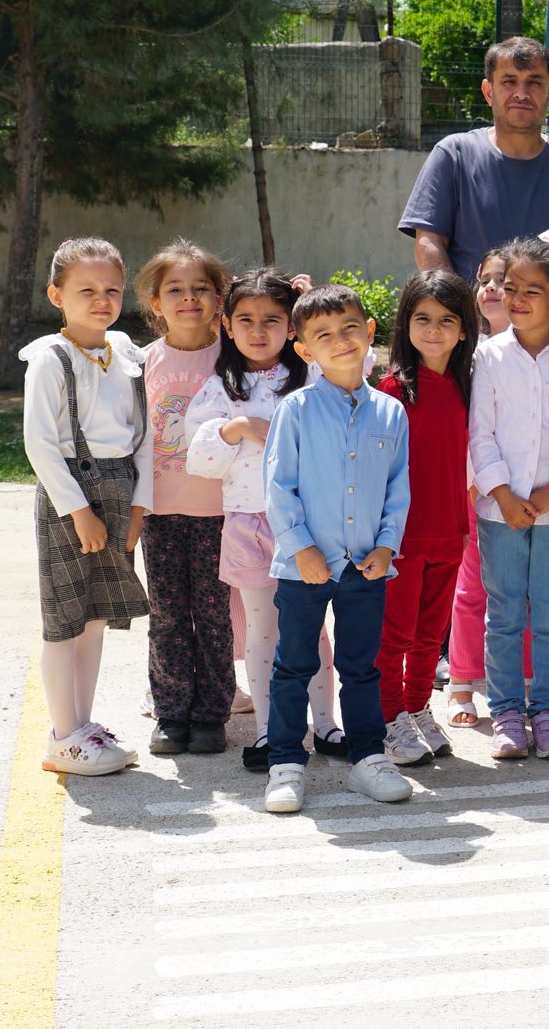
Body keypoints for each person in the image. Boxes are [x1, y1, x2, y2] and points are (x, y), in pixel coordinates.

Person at [260, 283, 414, 814]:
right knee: (294, 664)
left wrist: (388, 546)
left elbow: (398, 488)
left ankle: (369, 757)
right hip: (304, 565)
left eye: (350, 328)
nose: (341, 340)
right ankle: (285, 763)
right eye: (323, 335)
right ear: (304, 350)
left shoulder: (391, 413)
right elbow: (278, 486)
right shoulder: (296, 410)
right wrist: (299, 547)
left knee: (362, 666)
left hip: (366, 567)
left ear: (369, 332)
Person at [185, 269, 339, 772]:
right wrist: (234, 429)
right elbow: (200, 461)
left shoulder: (316, 380)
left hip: (309, 526)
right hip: (248, 523)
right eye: (246, 320)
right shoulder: (217, 390)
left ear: (292, 326)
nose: (258, 331)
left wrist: (261, 428)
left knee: (313, 629)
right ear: (226, 325)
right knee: (261, 632)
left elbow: (329, 443)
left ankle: (327, 723)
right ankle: (272, 729)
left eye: (272, 320)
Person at [23, 238, 152, 777]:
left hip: (120, 488)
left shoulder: (125, 351)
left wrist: (140, 506)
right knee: (65, 617)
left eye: (112, 290)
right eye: (86, 290)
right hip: (70, 494)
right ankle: (62, 735)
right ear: (57, 295)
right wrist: (78, 511)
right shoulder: (48, 359)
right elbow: (40, 445)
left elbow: (144, 434)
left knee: (97, 614)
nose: (101, 300)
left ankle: (82, 724)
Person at [469, 236, 549, 762]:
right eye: (510, 288)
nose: (515, 299)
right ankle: (505, 712)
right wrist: (503, 494)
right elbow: (481, 433)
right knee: (503, 613)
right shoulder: (488, 356)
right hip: (500, 511)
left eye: (531, 291)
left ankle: (547, 711)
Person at [399, 36, 549, 284]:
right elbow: (429, 243)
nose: (521, 94)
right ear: (488, 91)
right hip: (475, 321)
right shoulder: (453, 156)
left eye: (534, 82)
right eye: (509, 81)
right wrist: (458, 312)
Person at [133, 240, 234, 757]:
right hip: (161, 512)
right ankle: (172, 712)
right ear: (155, 301)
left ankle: (213, 713)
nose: (188, 298)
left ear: (220, 298)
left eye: (201, 289)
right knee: (168, 614)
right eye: (175, 289)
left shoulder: (235, 356)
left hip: (221, 511)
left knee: (216, 615)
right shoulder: (140, 361)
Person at [374, 271, 477, 769]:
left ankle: (417, 707)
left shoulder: (467, 385)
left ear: (463, 330)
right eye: (422, 319)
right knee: (394, 634)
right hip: (403, 536)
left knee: (430, 636)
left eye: (446, 320)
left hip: (451, 530)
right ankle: (388, 716)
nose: (434, 330)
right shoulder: (392, 390)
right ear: (405, 324)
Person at [444, 249, 526, 727]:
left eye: (507, 282)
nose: (495, 289)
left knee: (526, 593)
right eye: (488, 280)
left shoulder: (541, 351)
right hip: (476, 490)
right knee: (472, 589)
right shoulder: (465, 353)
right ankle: (462, 682)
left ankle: (526, 679)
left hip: (527, 494)